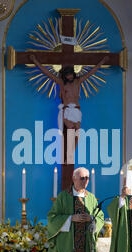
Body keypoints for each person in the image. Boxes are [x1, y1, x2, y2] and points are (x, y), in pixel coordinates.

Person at [29, 54, 109, 190]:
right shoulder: (61, 83)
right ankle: (67, 157)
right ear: (64, 75)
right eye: (67, 75)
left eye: (71, 74)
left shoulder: (78, 82)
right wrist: (36, 61)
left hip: (77, 110)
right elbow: (47, 73)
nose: (69, 77)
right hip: (67, 110)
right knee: (69, 133)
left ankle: (70, 156)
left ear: (73, 74)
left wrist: (101, 62)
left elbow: (91, 73)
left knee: (76, 134)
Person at [46, 167, 104, 252]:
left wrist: (91, 219)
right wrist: (71, 218)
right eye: (82, 178)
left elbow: (99, 216)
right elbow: (52, 218)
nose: (85, 181)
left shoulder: (91, 198)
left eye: (87, 178)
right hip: (68, 247)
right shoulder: (63, 197)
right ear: (74, 179)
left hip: (86, 249)